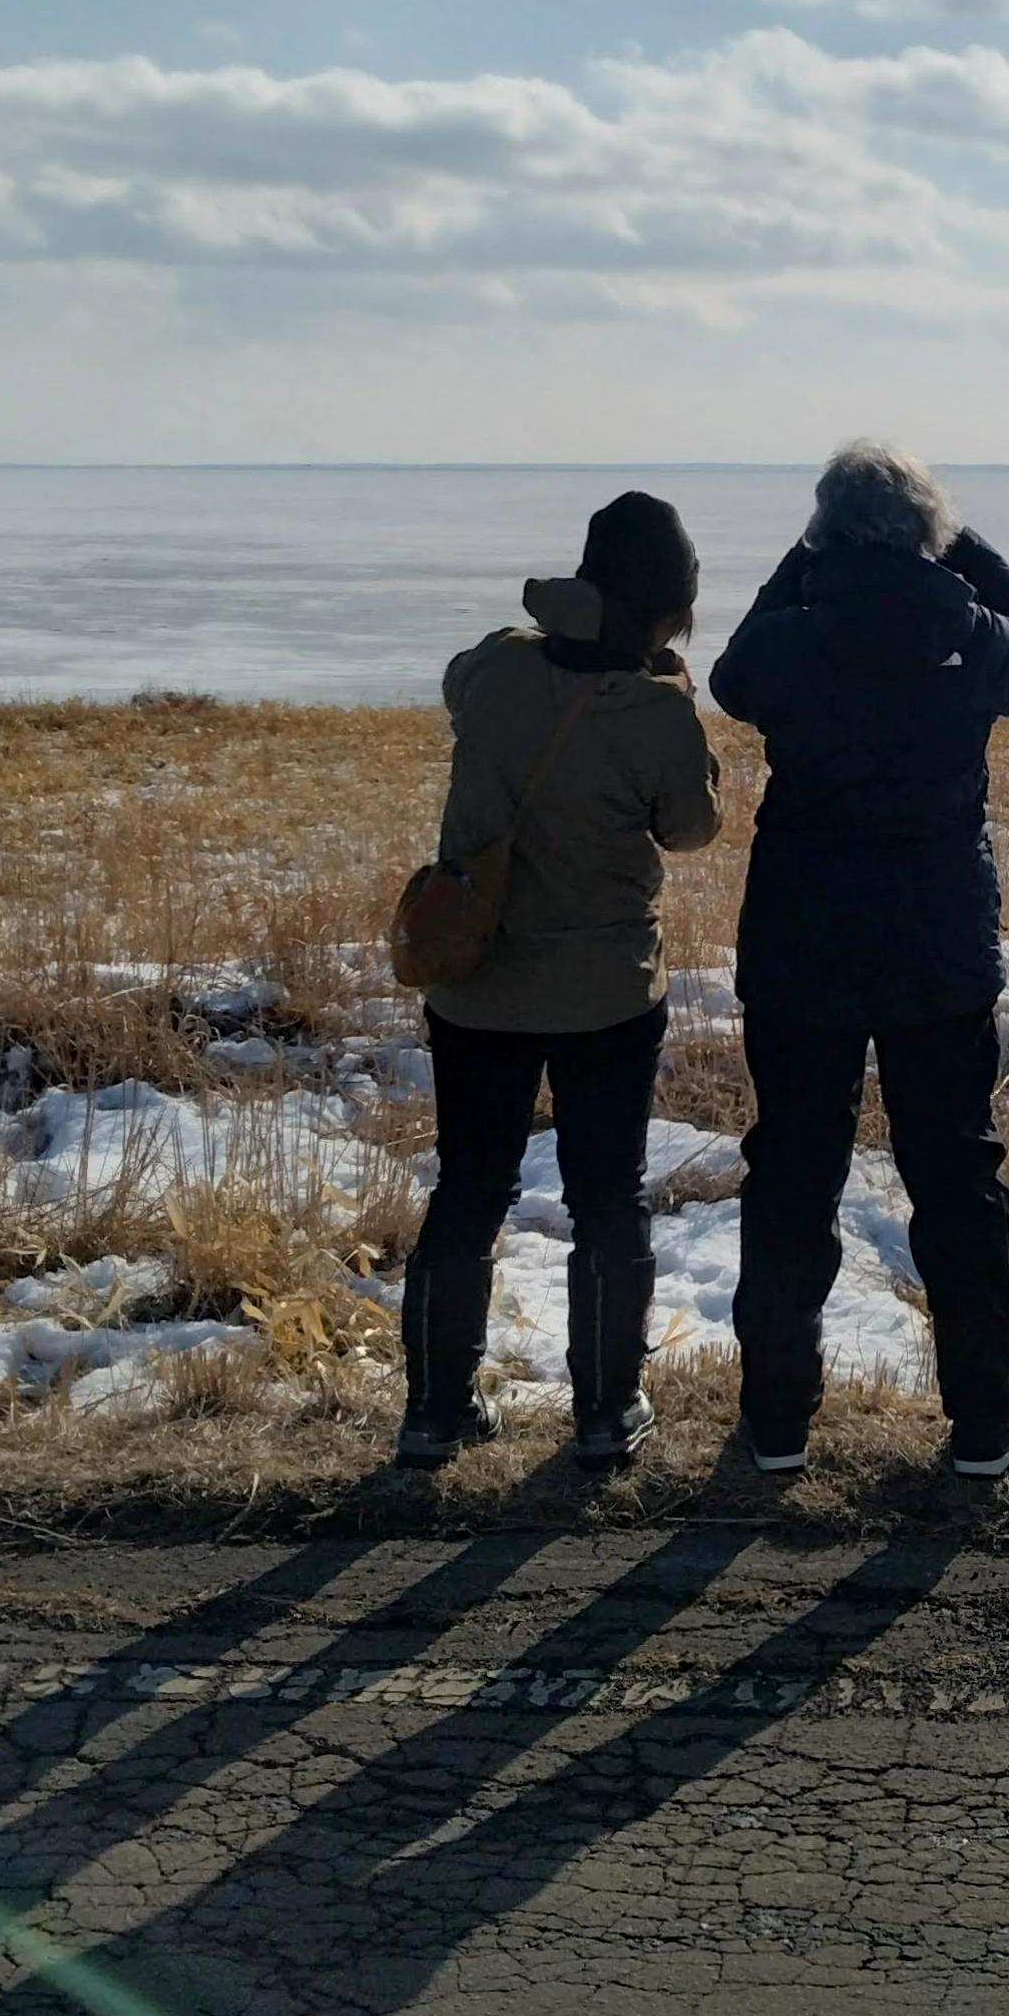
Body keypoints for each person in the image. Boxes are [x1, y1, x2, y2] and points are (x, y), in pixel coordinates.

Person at [710, 442, 1009, 1480]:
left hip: (800, 947)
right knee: (956, 1174)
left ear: (822, 533)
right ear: (930, 533)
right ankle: (983, 1418)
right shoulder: (966, 628)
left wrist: (807, 555)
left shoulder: (791, 634)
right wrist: (955, 549)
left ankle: (777, 1422)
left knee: (789, 1171)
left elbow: (732, 676)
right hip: (935, 947)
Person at [397, 491, 723, 1472]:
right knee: (606, 1199)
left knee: (467, 1191)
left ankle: (433, 1412)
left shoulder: (491, 668)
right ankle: (604, 1413)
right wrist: (674, 692)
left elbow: (469, 678)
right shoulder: (659, 715)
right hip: (606, 994)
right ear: (671, 606)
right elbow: (693, 828)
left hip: (477, 983)